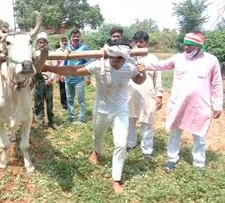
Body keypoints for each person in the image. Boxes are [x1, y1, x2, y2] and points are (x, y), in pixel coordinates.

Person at [42, 40, 147, 194]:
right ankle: (96, 151)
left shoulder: (130, 66)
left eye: (121, 59)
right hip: (101, 110)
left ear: (125, 58)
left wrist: (142, 72)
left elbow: (139, 80)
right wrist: (49, 67)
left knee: (120, 143)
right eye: (114, 58)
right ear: (109, 56)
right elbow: (73, 70)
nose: (117, 62)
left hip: (121, 110)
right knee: (98, 136)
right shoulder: (99, 65)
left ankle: (116, 179)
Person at [138, 32, 223, 172]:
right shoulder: (178, 58)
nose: (186, 47)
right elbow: (161, 65)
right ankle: (172, 158)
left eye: (189, 45)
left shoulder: (211, 60)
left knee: (199, 134)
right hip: (179, 103)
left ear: (198, 46)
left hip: (201, 105)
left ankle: (199, 163)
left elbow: (216, 84)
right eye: (185, 44)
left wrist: (217, 104)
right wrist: (145, 65)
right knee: (175, 132)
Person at [127, 31, 163, 159]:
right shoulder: (128, 57)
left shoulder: (153, 58)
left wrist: (159, 95)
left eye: (141, 41)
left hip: (148, 95)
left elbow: (157, 77)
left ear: (146, 43)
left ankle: (147, 150)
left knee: (147, 122)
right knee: (130, 120)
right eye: (136, 41)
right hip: (130, 94)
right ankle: (130, 144)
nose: (138, 44)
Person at [64, 29, 91, 124]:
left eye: (77, 36)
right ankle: (71, 117)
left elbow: (89, 63)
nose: (76, 38)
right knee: (69, 99)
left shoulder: (84, 48)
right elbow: (65, 63)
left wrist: (88, 77)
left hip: (79, 78)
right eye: (74, 36)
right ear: (71, 37)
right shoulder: (68, 48)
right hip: (68, 78)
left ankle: (82, 119)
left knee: (81, 99)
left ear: (80, 37)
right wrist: (63, 74)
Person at [34, 32, 58, 130]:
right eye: (40, 42)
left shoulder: (51, 53)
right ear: (37, 43)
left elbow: (55, 67)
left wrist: (51, 78)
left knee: (49, 103)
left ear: (47, 42)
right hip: (37, 81)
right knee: (38, 103)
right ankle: (41, 124)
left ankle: (51, 122)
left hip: (48, 81)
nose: (42, 44)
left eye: (44, 42)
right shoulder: (34, 54)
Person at [56, 35, 69, 109]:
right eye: (63, 41)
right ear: (61, 42)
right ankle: (64, 104)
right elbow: (56, 63)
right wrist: (58, 75)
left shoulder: (71, 49)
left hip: (70, 72)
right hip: (61, 73)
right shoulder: (57, 51)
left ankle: (70, 102)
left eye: (66, 41)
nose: (64, 42)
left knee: (70, 88)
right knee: (62, 89)